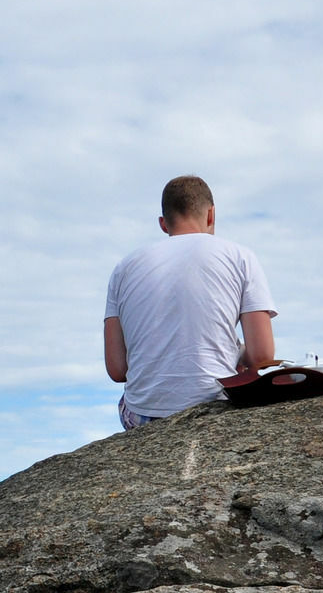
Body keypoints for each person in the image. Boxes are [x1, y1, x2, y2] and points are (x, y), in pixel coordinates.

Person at [104, 174, 278, 429]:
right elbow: (263, 356)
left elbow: (117, 370)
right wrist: (238, 356)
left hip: (144, 416)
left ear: (164, 224)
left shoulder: (123, 269)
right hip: (216, 406)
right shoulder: (240, 257)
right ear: (211, 215)